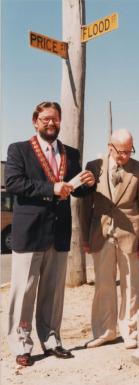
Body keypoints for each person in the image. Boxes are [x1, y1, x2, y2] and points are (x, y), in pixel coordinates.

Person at [5, 101, 95, 367]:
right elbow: (13, 182)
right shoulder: (19, 150)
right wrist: (51, 188)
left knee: (53, 293)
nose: (51, 123)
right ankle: (21, 343)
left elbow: (74, 189)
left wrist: (87, 185)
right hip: (29, 232)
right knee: (24, 292)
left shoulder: (71, 153)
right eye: (45, 119)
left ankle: (52, 339)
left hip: (59, 232)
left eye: (55, 119)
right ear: (35, 121)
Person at [80, 129, 139, 349]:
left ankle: (130, 331)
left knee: (131, 286)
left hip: (130, 235)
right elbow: (85, 205)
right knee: (103, 286)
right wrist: (85, 237)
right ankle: (105, 331)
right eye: (120, 151)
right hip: (100, 234)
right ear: (109, 147)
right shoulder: (93, 167)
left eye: (128, 151)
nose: (124, 156)